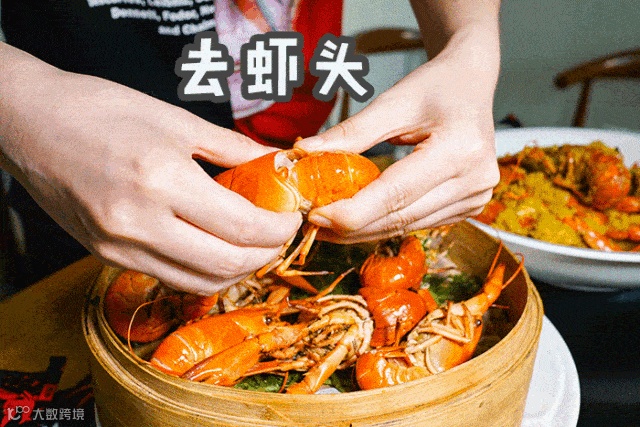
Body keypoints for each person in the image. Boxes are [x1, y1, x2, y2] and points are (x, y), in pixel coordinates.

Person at [0, 0, 501, 295]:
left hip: (292, 131)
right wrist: (21, 106)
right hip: (77, 172)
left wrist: (471, 45)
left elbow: (468, 37)